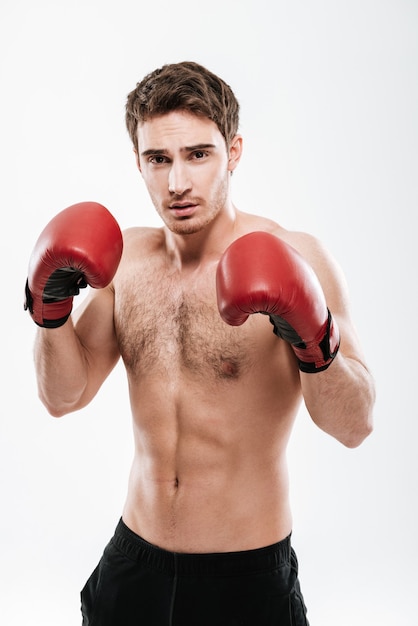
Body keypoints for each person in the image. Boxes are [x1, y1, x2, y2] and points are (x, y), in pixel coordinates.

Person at [24, 61, 375, 626]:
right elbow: (63, 397)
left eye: (198, 154)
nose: (177, 182)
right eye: (157, 159)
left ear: (233, 152)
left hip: (248, 576)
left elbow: (354, 427)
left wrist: (315, 338)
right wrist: (49, 312)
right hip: (133, 563)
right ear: (137, 161)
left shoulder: (295, 257)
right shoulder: (127, 262)